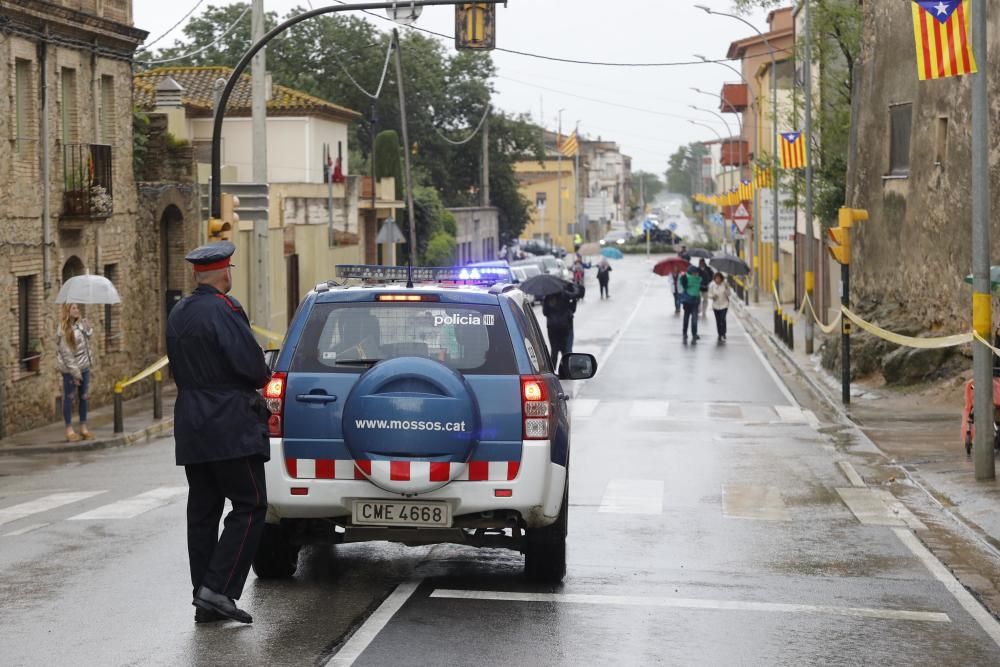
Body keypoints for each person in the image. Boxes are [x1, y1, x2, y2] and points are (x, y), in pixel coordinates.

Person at [166, 241, 272, 625]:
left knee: (204, 510)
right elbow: (253, 368)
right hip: (229, 422)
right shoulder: (226, 310)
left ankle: (204, 598)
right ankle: (220, 588)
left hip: (191, 423)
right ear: (225, 273)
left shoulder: (179, 311)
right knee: (252, 503)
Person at [56, 303, 94, 442]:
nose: (77, 310)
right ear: (67, 311)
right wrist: (75, 373)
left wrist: (88, 327)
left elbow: (88, 338)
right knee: (70, 398)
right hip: (71, 370)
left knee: (83, 397)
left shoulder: (80, 325)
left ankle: (83, 427)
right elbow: (66, 354)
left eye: (78, 308)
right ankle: (69, 429)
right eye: (74, 308)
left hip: (84, 367)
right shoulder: (63, 329)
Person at [543, 284, 578, 369]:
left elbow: (545, 312)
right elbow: (572, 309)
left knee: (554, 350)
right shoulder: (566, 295)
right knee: (565, 350)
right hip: (564, 326)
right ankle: (566, 370)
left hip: (552, 328)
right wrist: (574, 301)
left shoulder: (548, 297)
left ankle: (552, 370)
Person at [679, 264, 702, 342]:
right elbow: (683, 285)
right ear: (691, 273)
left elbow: (704, 282)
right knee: (687, 318)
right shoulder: (687, 278)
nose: (696, 274)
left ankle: (694, 334)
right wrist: (683, 277)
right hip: (688, 302)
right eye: (694, 272)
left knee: (694, 319)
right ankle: (685, 333)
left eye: (697, 272)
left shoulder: (698, 279)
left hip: (695, 302)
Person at [708, 272, 732, 341]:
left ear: (721, 279)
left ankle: (724, 333)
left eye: (719, 278)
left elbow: (729, 294)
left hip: (724, 305)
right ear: (714, 279)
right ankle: (719, 334)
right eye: (716, 278)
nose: (717, 279)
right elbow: (709, 294)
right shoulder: (712, 285)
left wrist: (727, 288)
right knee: (718, 321)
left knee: (722, 319)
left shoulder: (724, 284)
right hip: (715, 306)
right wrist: (713, 297)